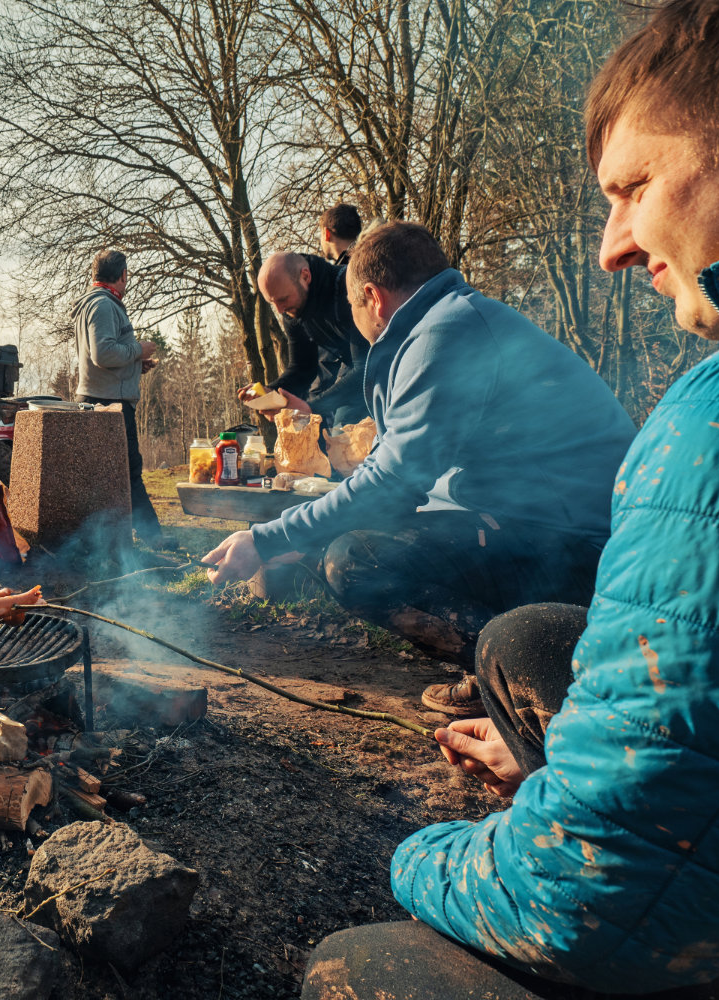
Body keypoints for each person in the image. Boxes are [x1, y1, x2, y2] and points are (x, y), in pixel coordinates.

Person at [302, 4, 719, 996]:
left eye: (633, 185)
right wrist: (564, 765)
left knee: (349, 966)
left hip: (561, 539)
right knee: (522, 640)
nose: (612, 247)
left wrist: (424, 852)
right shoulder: (466, 322)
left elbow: (590, 900)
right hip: (571, 553)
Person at [205, 222, 635, 717]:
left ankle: (549, 673)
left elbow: (393, 482)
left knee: (355, 561)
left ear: (372, 296)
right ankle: (518, 668)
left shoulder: (446, 334)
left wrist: (267, 538)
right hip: (544, 527)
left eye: (353, 307)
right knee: (349, 540)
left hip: (579, 550)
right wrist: (305, 535)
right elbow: (416, 488)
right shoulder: (451, 320)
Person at [70, 247, 170, 548]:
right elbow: (103, 354)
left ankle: (103, 539)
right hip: (109, 404)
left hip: (100, 397)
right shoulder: (103, 305)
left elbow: (103, 357)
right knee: (130, 471)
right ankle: (152, 538)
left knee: (107, 475)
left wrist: (135, 366)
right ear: (123, 275)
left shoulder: (96, 303)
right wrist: (139, 350)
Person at [244, 251, 369, 427]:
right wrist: (271, 392)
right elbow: (303, 368)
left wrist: (311, 407)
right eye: (273, 303)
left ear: (305, 276)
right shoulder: (291, 309)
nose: (279, 310)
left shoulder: (347, 289)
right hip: (355, 375)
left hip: (385, 372)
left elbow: (366, 368)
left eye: (283, 299)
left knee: (344, 431)